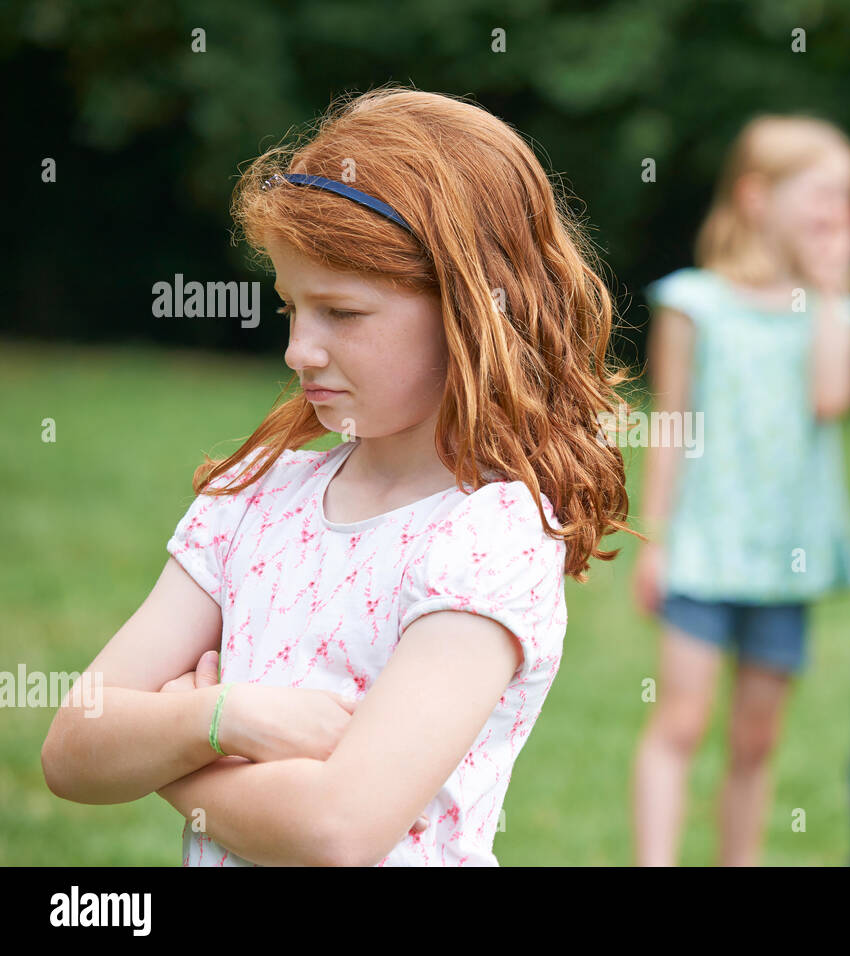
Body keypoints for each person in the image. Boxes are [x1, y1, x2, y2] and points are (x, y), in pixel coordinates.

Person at [40, 85, 633, 867]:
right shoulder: (256, 497)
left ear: (471, 310)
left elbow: (337, 831)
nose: (298, 351)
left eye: (342, 314)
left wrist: (173, 760)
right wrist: (223, 719)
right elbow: (71, 746)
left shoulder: (489, 539)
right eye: (291, 308)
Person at [630, 114, 850, 866]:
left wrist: (830, 292)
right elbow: (671, 423)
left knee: (756, 741)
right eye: (823, 192)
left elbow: (831, 400)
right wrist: (656, 538)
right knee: (680, 724)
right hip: (704, 548)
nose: (840, 210)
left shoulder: (841, 311)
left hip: (786, 559)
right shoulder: (693, 302)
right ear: (757, 197)